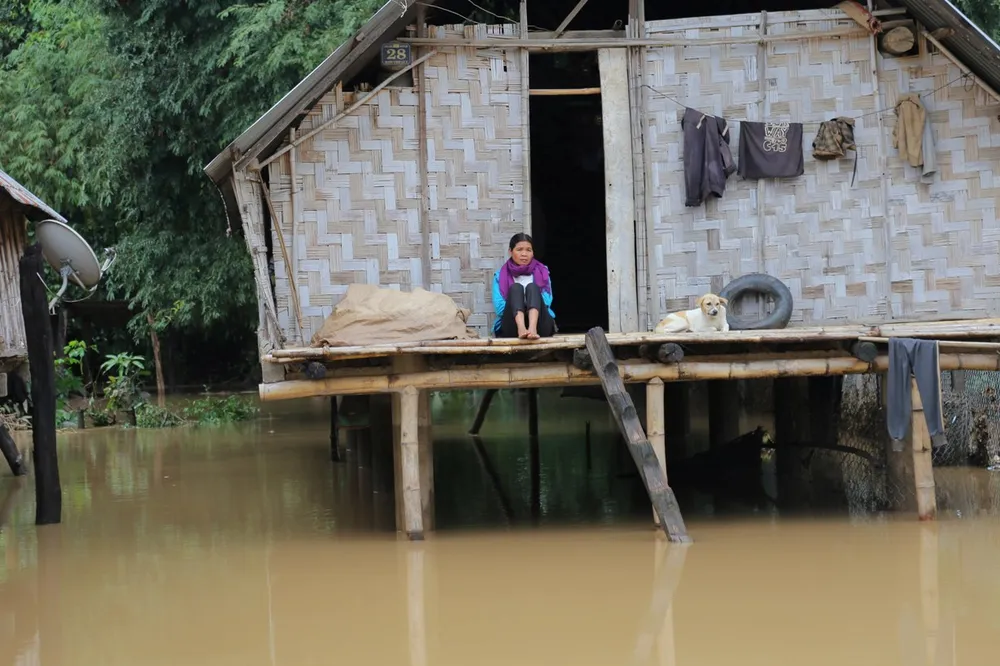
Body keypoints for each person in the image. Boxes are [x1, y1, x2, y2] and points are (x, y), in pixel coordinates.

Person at [491, 233, 556, 339]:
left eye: (528, 250)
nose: (524, 254)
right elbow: (499, 308)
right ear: (510, 251)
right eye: (519, 249)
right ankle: (521, 328)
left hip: (540, 325)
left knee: (532, 287)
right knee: (516, 288)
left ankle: (532, 328)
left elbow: (547, 302)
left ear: (533, 253)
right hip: (512, 327)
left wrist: (529, 307)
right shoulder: (500, 276)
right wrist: (520, 307)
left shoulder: (542, 272)